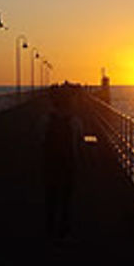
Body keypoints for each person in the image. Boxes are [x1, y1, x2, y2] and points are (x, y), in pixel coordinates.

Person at [41, 86, 82, 241]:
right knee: (66, 197)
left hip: (50, 163)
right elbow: (78, 143)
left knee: (50, 195)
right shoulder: (76, 121)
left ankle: (49, 227)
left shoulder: (45, 120)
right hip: (68, 164)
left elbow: (40, 139)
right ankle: (64, 227)